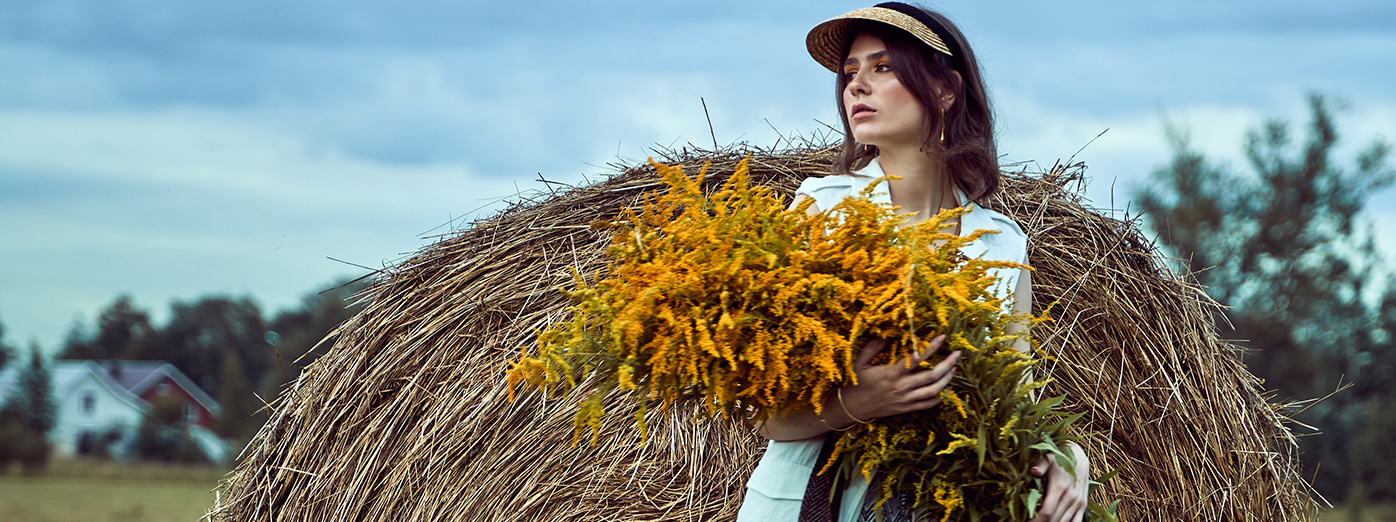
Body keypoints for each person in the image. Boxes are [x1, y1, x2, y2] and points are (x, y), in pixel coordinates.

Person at [736, 3, 1091, 522]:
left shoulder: (1002, 245)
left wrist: (1069, 459)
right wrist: (857, 402)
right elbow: (761, 414)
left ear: (945, 89)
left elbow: (1011, 413)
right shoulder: (823, 209)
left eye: (882, 67)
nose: (856, 86)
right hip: (801, 504)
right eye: (850, 73)